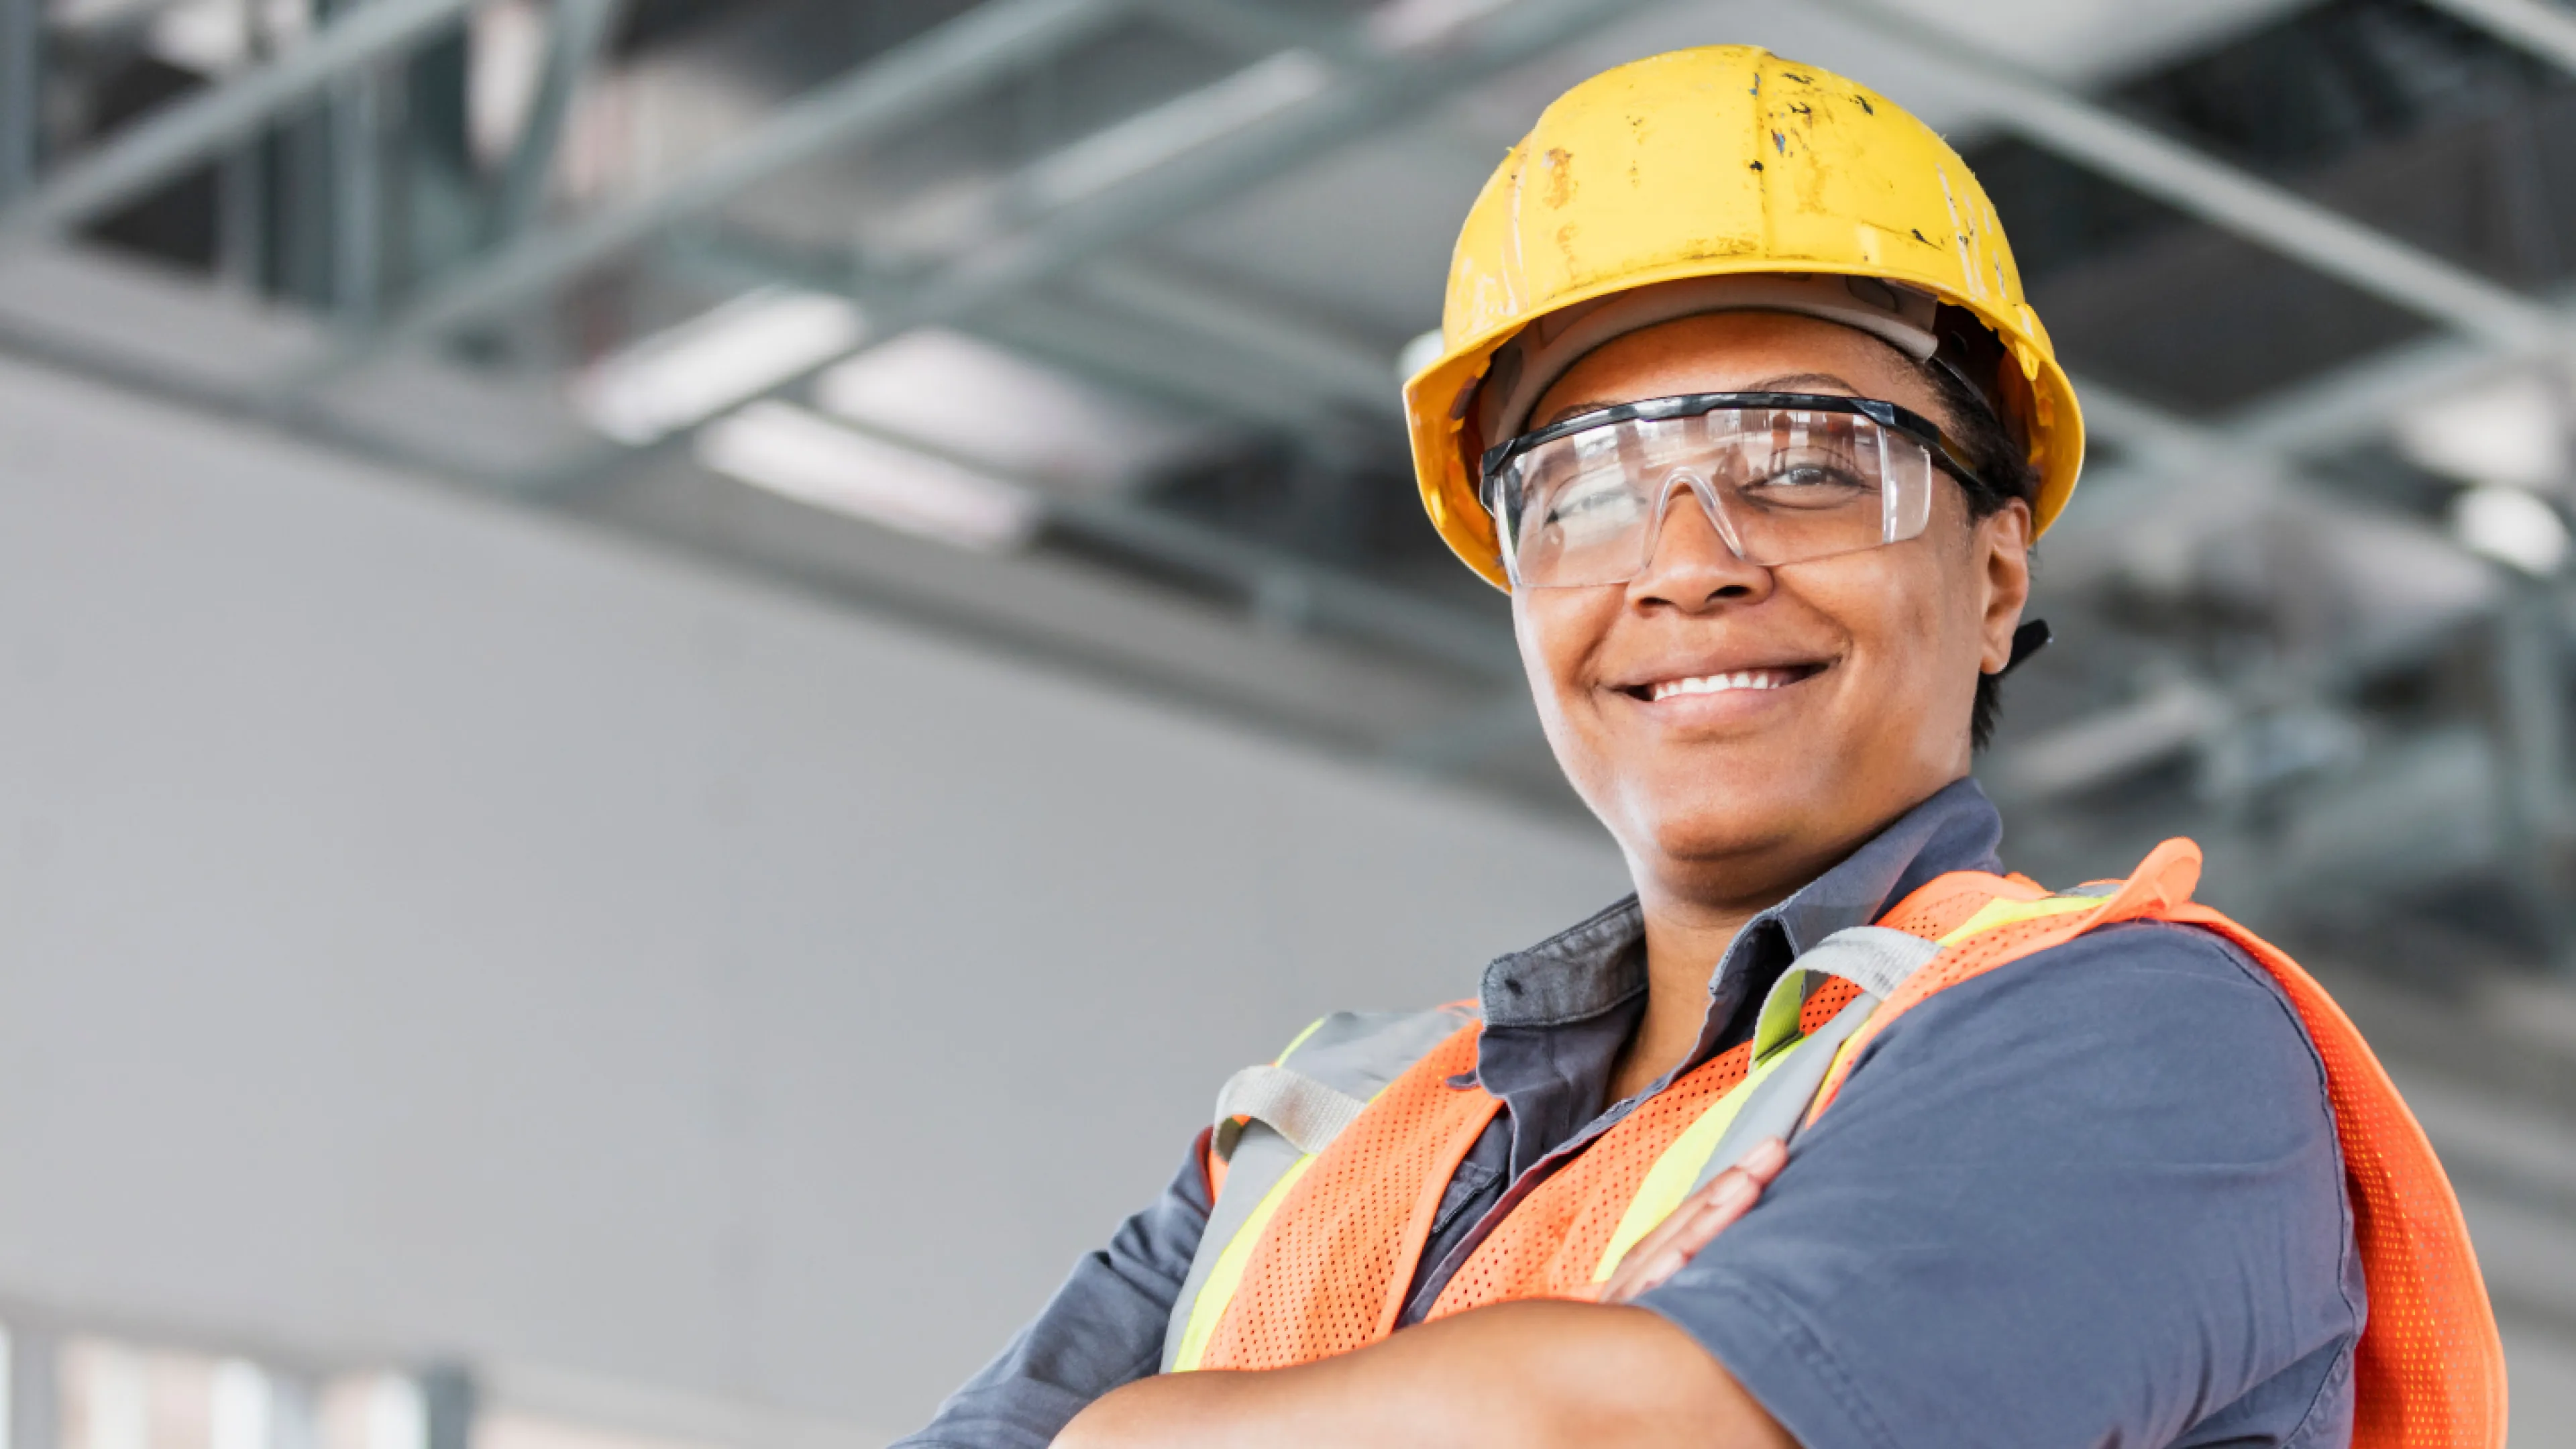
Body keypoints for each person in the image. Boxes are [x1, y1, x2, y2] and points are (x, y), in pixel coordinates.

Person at [898, 45, 2504, 1449]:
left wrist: (1132, 1432)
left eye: (1808, 464)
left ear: (1997, 577)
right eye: (1588, 491)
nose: (1687, 561)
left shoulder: (2141, 1046)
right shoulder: (1323, 1135)